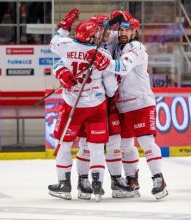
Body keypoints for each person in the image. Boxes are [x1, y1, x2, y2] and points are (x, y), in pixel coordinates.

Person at [86, 17, 169, 200]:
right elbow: (105, 34)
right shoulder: (118, 43)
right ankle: (132, 180)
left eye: (128, 30)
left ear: (135, 32)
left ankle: (158, 179)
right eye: (122, 30)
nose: (123, 33)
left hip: (141, 102)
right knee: (124, 145)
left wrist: (102, 61)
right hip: (122, 105)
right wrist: (109, 21)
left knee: (147, 141)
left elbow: (123, 67)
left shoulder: (137, 47)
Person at [48, 9, 117, 202]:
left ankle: (64, 185)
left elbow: (54, 45)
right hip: (97, 107)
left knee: (65, 145)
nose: (99, 35)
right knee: (96, 147)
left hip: (72, 106)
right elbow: (111, 88)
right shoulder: (101, 53)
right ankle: (96, 185)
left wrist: (63, 27)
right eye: (95, 33)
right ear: (89, 35)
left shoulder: (65, 45)